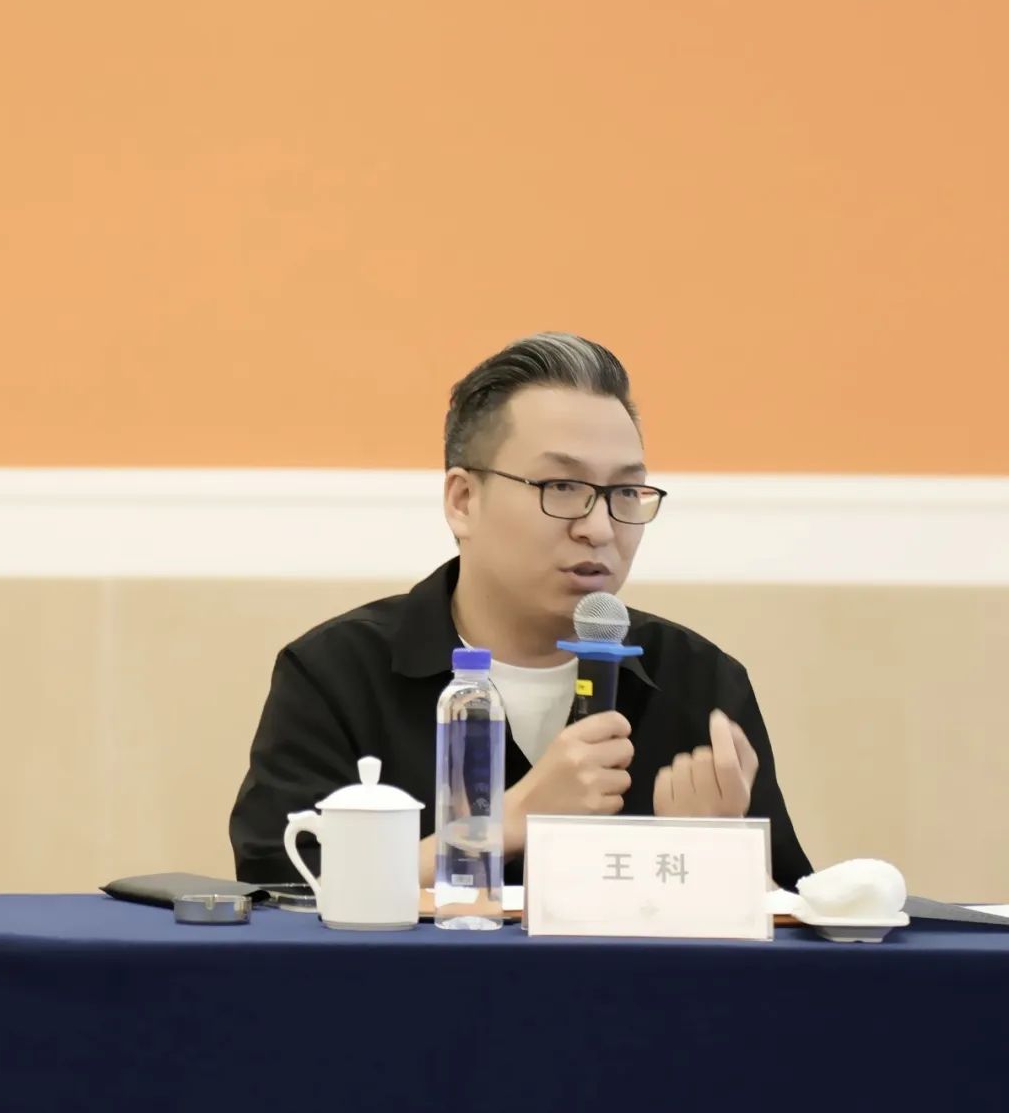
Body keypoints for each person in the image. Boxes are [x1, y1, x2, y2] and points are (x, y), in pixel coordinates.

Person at [230, 333, 812, 889]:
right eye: (561, 487)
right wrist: (504, 823)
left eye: (625, 493)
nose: (599, 528)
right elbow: (282, 894)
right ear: (463, 501)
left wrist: (717, 861)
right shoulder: (337, 673)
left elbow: (793, 915)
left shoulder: (699, 680)